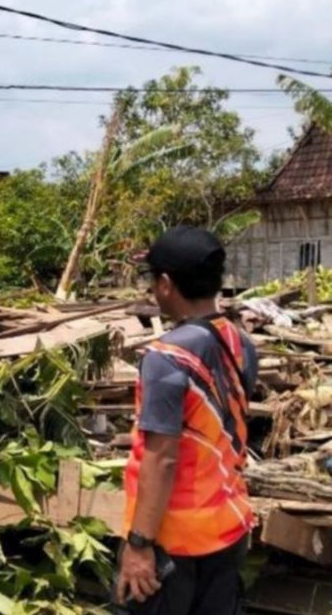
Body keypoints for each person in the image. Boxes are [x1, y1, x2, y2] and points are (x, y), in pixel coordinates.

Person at [115, 226, 257, 615]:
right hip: (228, 529)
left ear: (165, 284)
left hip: (173, 543)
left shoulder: (167, 357)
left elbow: (162, 457)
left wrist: (139, 545)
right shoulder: (240, 343)